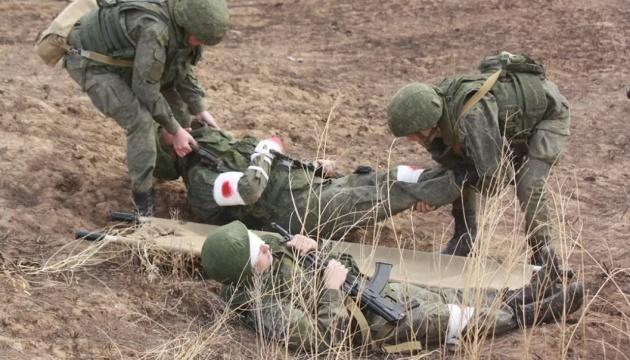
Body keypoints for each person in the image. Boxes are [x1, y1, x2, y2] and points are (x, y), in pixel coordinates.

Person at [200, 221, 583, 353]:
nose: (264, 245)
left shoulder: (269, 256)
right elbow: (322, 342)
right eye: (257, 251)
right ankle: (528, 314)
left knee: (451, 293)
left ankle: (527, 291)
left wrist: (319, 252)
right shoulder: (269, 309)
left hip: (372, 291)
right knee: (453, 319)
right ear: (246, 271)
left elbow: (339, 268)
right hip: (377, 325)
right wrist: (333, 290)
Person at [386, 52, 571, 273]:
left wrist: (453, 185)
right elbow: (454, 167)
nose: (411, 139)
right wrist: (434, 195)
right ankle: (464, 240)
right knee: (463, 168)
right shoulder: (434, 117)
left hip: (548, 115)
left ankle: (544, 254)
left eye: (413, 133)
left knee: (528, 183)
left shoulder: (471, 118)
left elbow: (495, 180)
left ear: (428, 121)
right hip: (508, 124)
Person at [155, 124, 468, 239]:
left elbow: (269, 170)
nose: (177, 124)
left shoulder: (215, 151)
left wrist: (312, 167)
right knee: (397, 189)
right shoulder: (201, 181)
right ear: (173, 150)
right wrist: (265, 150)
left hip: (312, 190)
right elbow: (250, 190)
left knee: (398, 175)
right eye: (170, 129)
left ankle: (456, 176)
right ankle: (469, 177)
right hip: (303, 213)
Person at [64, 0, 229, 215]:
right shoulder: (155, 30)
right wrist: (174, 129)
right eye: (197, 37)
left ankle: (162, 166)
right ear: (186, 23)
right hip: (92, 62)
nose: (197, 43)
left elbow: (179, 69)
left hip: (126, 59)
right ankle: (142, 201)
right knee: (140, 120)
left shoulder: (182, 26)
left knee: (185, 121)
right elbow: (145, 89)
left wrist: (199, 109)